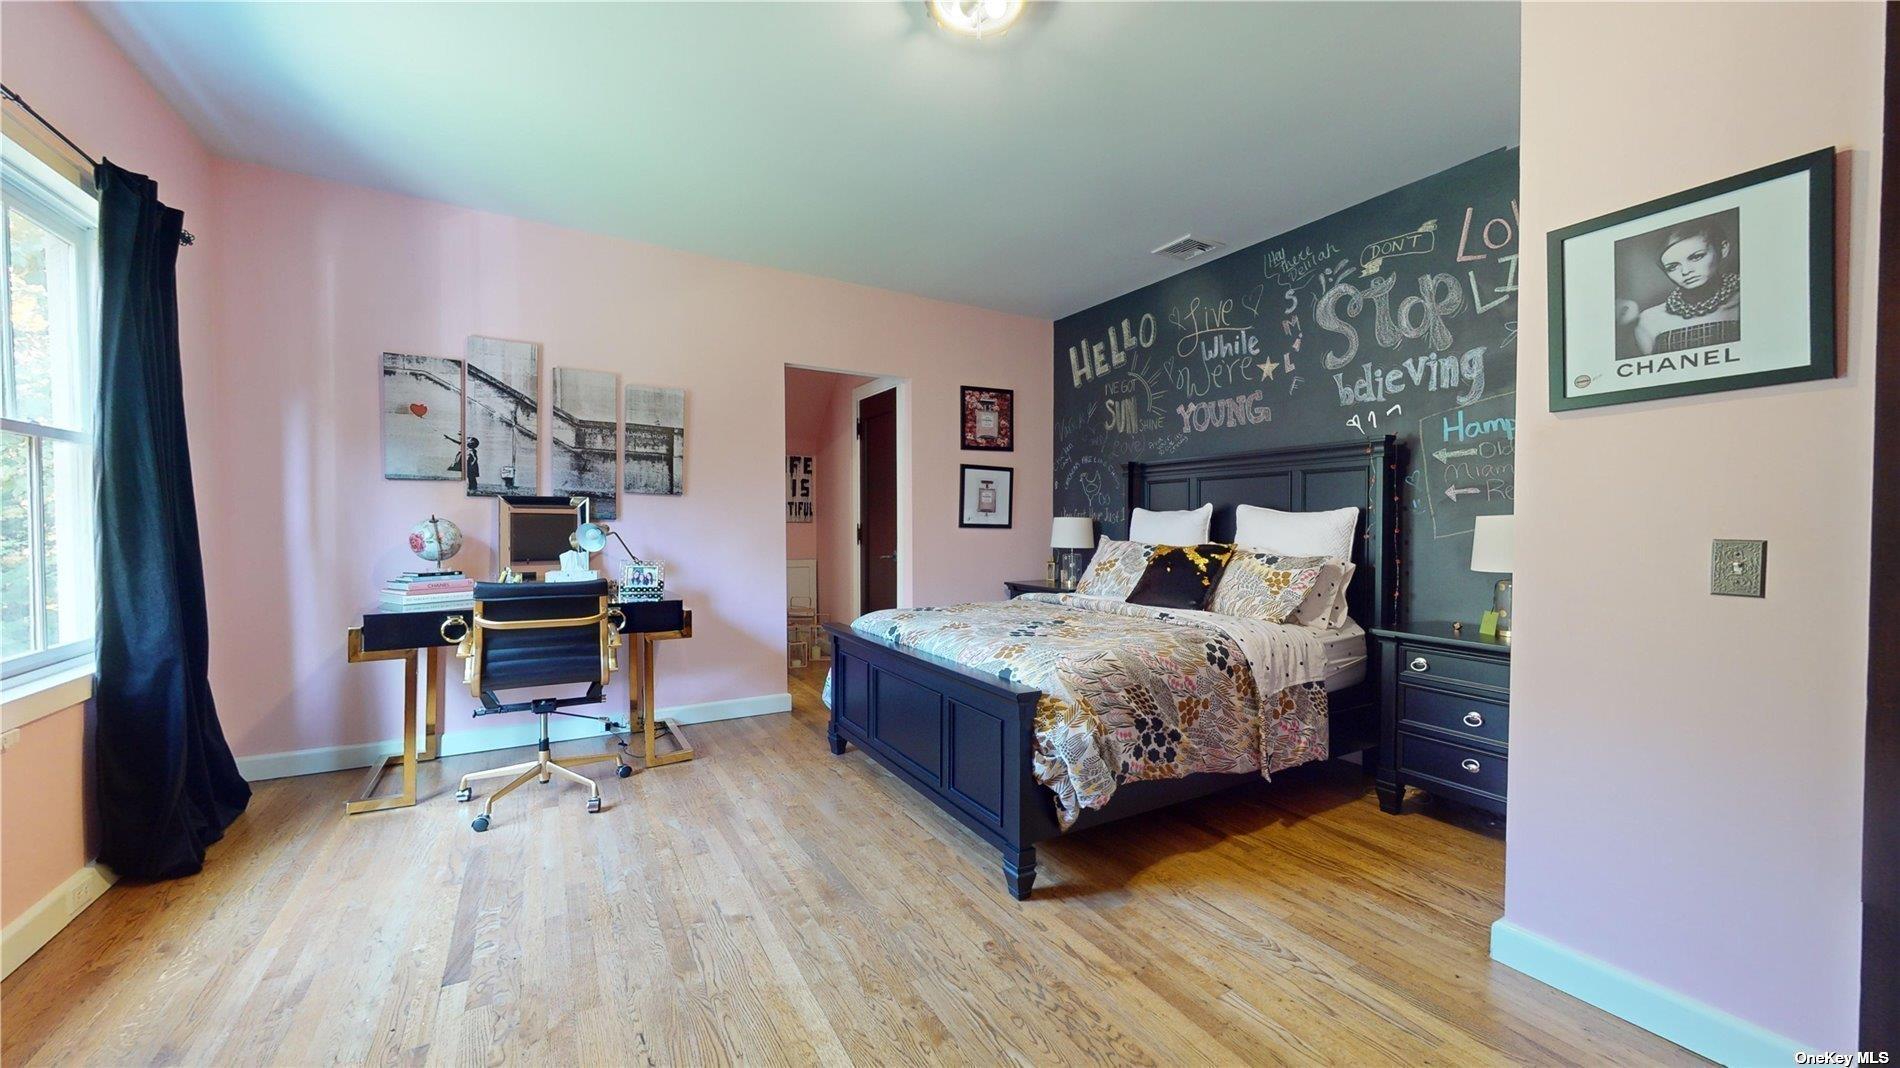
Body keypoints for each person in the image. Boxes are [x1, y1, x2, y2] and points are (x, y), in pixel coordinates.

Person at [1620, 218, 1741, 356]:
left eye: (1696, 257)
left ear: (1723, 249)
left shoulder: (1748, 302)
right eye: (1673, 267)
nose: (1685, 271)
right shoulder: (1650, 319)